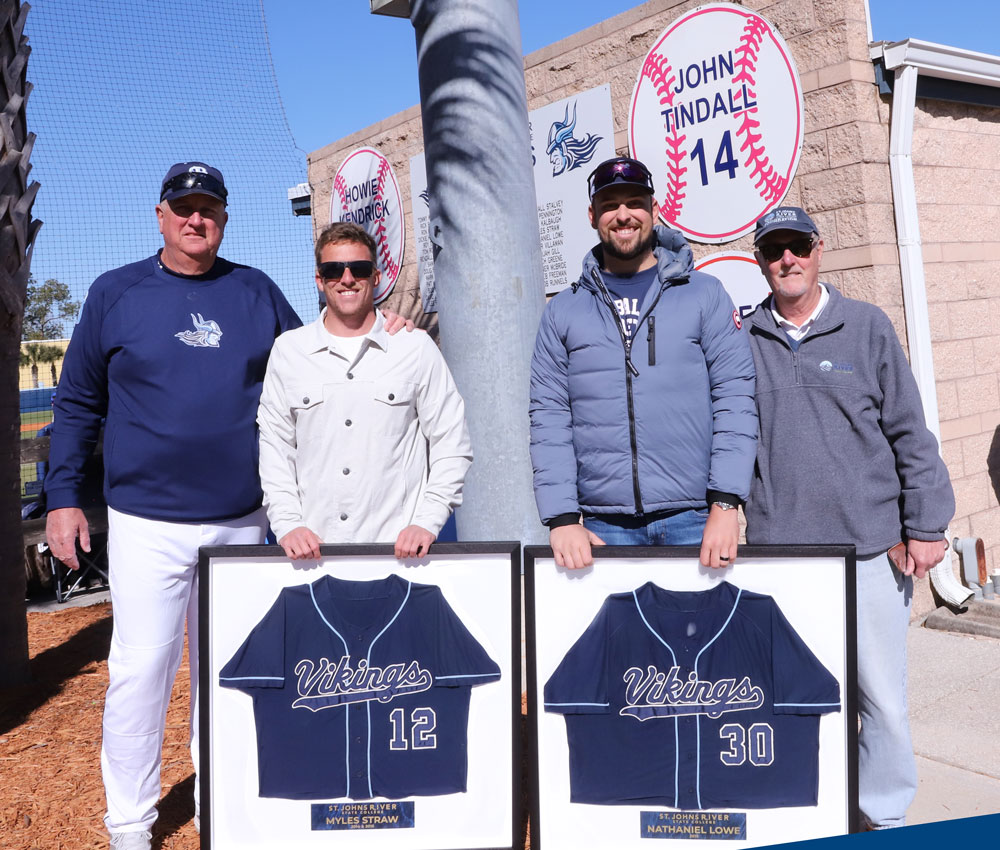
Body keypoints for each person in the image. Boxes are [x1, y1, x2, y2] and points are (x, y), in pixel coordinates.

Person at [43, 164, 410, 849]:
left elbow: (317, 359)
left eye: (208, 208)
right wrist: (62, 497)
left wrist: (385, 334)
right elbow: (78, 403)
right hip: (146, 520)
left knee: (230, 675)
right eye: (184, 208)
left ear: (224, 219)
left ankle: (224, 808)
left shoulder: (254, 291)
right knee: (140, 674)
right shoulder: (116, 292)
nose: (196, 219)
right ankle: (130, 826)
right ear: (160, 216)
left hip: (242, 520)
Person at [743, 206, 955, 829]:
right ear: (760, 261)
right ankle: (818, 813)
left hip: (868, 551)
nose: (787, 258)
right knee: (800, 699)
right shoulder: (742, 340)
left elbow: (910, 432)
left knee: (881, 701)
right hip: (784, 559)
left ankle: (882, 819)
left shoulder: (866, 327)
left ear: (819, 249)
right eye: (774, 249)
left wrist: (925, 524)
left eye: (798, 246)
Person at [529, 156, 757, 570]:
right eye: (609, 205)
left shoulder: (704, 294)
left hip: (695, 519)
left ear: (654, 209)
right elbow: (549, 417)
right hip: (602, 526)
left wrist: (726, 503)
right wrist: (561, 518)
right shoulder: (563, 311)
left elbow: (735, 398)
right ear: (592, 215)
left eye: (635, 202)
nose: (623, 215)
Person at [257, 221, 472, 561]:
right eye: (333, 270)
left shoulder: (414, 348)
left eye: (358, 268)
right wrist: (287, 524)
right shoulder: (289, 352)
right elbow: (275, 447)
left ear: (376, 277)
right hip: (313, 556)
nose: (346, 278)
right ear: (319, 279)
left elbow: (452, 441)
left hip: (402, 556)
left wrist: (426, 522)